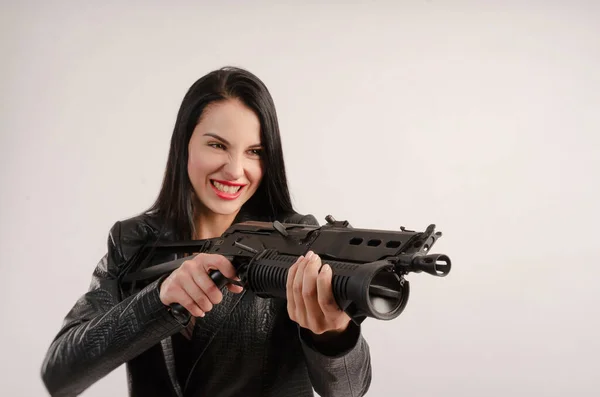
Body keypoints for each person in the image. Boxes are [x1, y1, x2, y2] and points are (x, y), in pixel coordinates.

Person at [40, 66, 372, 397]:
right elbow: (60, 374)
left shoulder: (299, 242)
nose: (235, 170)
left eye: (255, 152)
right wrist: (157, 300)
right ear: (184, 144)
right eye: (217, 145)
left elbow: (350, 389)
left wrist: (333, 334)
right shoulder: (133, 242)